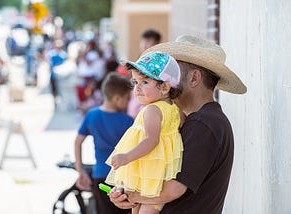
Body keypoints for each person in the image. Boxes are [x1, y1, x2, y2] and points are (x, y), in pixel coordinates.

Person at [109, 35, 247, 214]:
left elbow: (172, 189)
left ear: (194, 78)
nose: (163, 77)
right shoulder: (192, 120)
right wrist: (126, 193)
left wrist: (133, 196)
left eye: (173, 70)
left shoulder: (203, 124)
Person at [105, 51, 184, 214]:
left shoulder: (152, 110)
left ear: (164, 87)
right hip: (156, 173)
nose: (137, 88)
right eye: (135, 82)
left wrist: (126, 157)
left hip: (147, 172)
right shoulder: (175, 109)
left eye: (145, 82)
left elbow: (151, 140)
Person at [74, 72, 134, 214]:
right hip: (122, 180)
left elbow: (78, 142)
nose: (128, 102)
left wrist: (80, 169)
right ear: (117, 98)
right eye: (127, 98)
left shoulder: (91, 115)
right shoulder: (128, 121)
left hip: (100, 178)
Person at [47, 39, 67, 107]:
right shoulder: (51, 54)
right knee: (54, 88)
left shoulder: (63, 54)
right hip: (53, 74)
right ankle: (55, 99)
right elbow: (49, 63)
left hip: (61, 75)